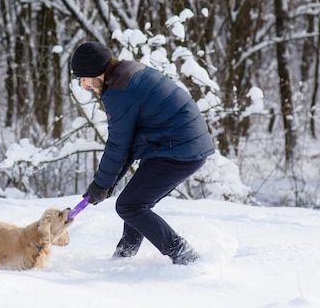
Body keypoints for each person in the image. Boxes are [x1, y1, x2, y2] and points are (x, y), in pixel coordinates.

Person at [70, 41, 215, 265]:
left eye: (83, 79)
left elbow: (118, 144)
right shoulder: (127, 71)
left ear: (95, 72)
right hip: (177, 143)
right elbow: (129, 143)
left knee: (129, 205)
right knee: (135, 200)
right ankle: (124, 255)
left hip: (178, 147)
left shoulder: (117, 92)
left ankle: (185, 256)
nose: (84, 87)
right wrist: (109, 182)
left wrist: (101, 184)